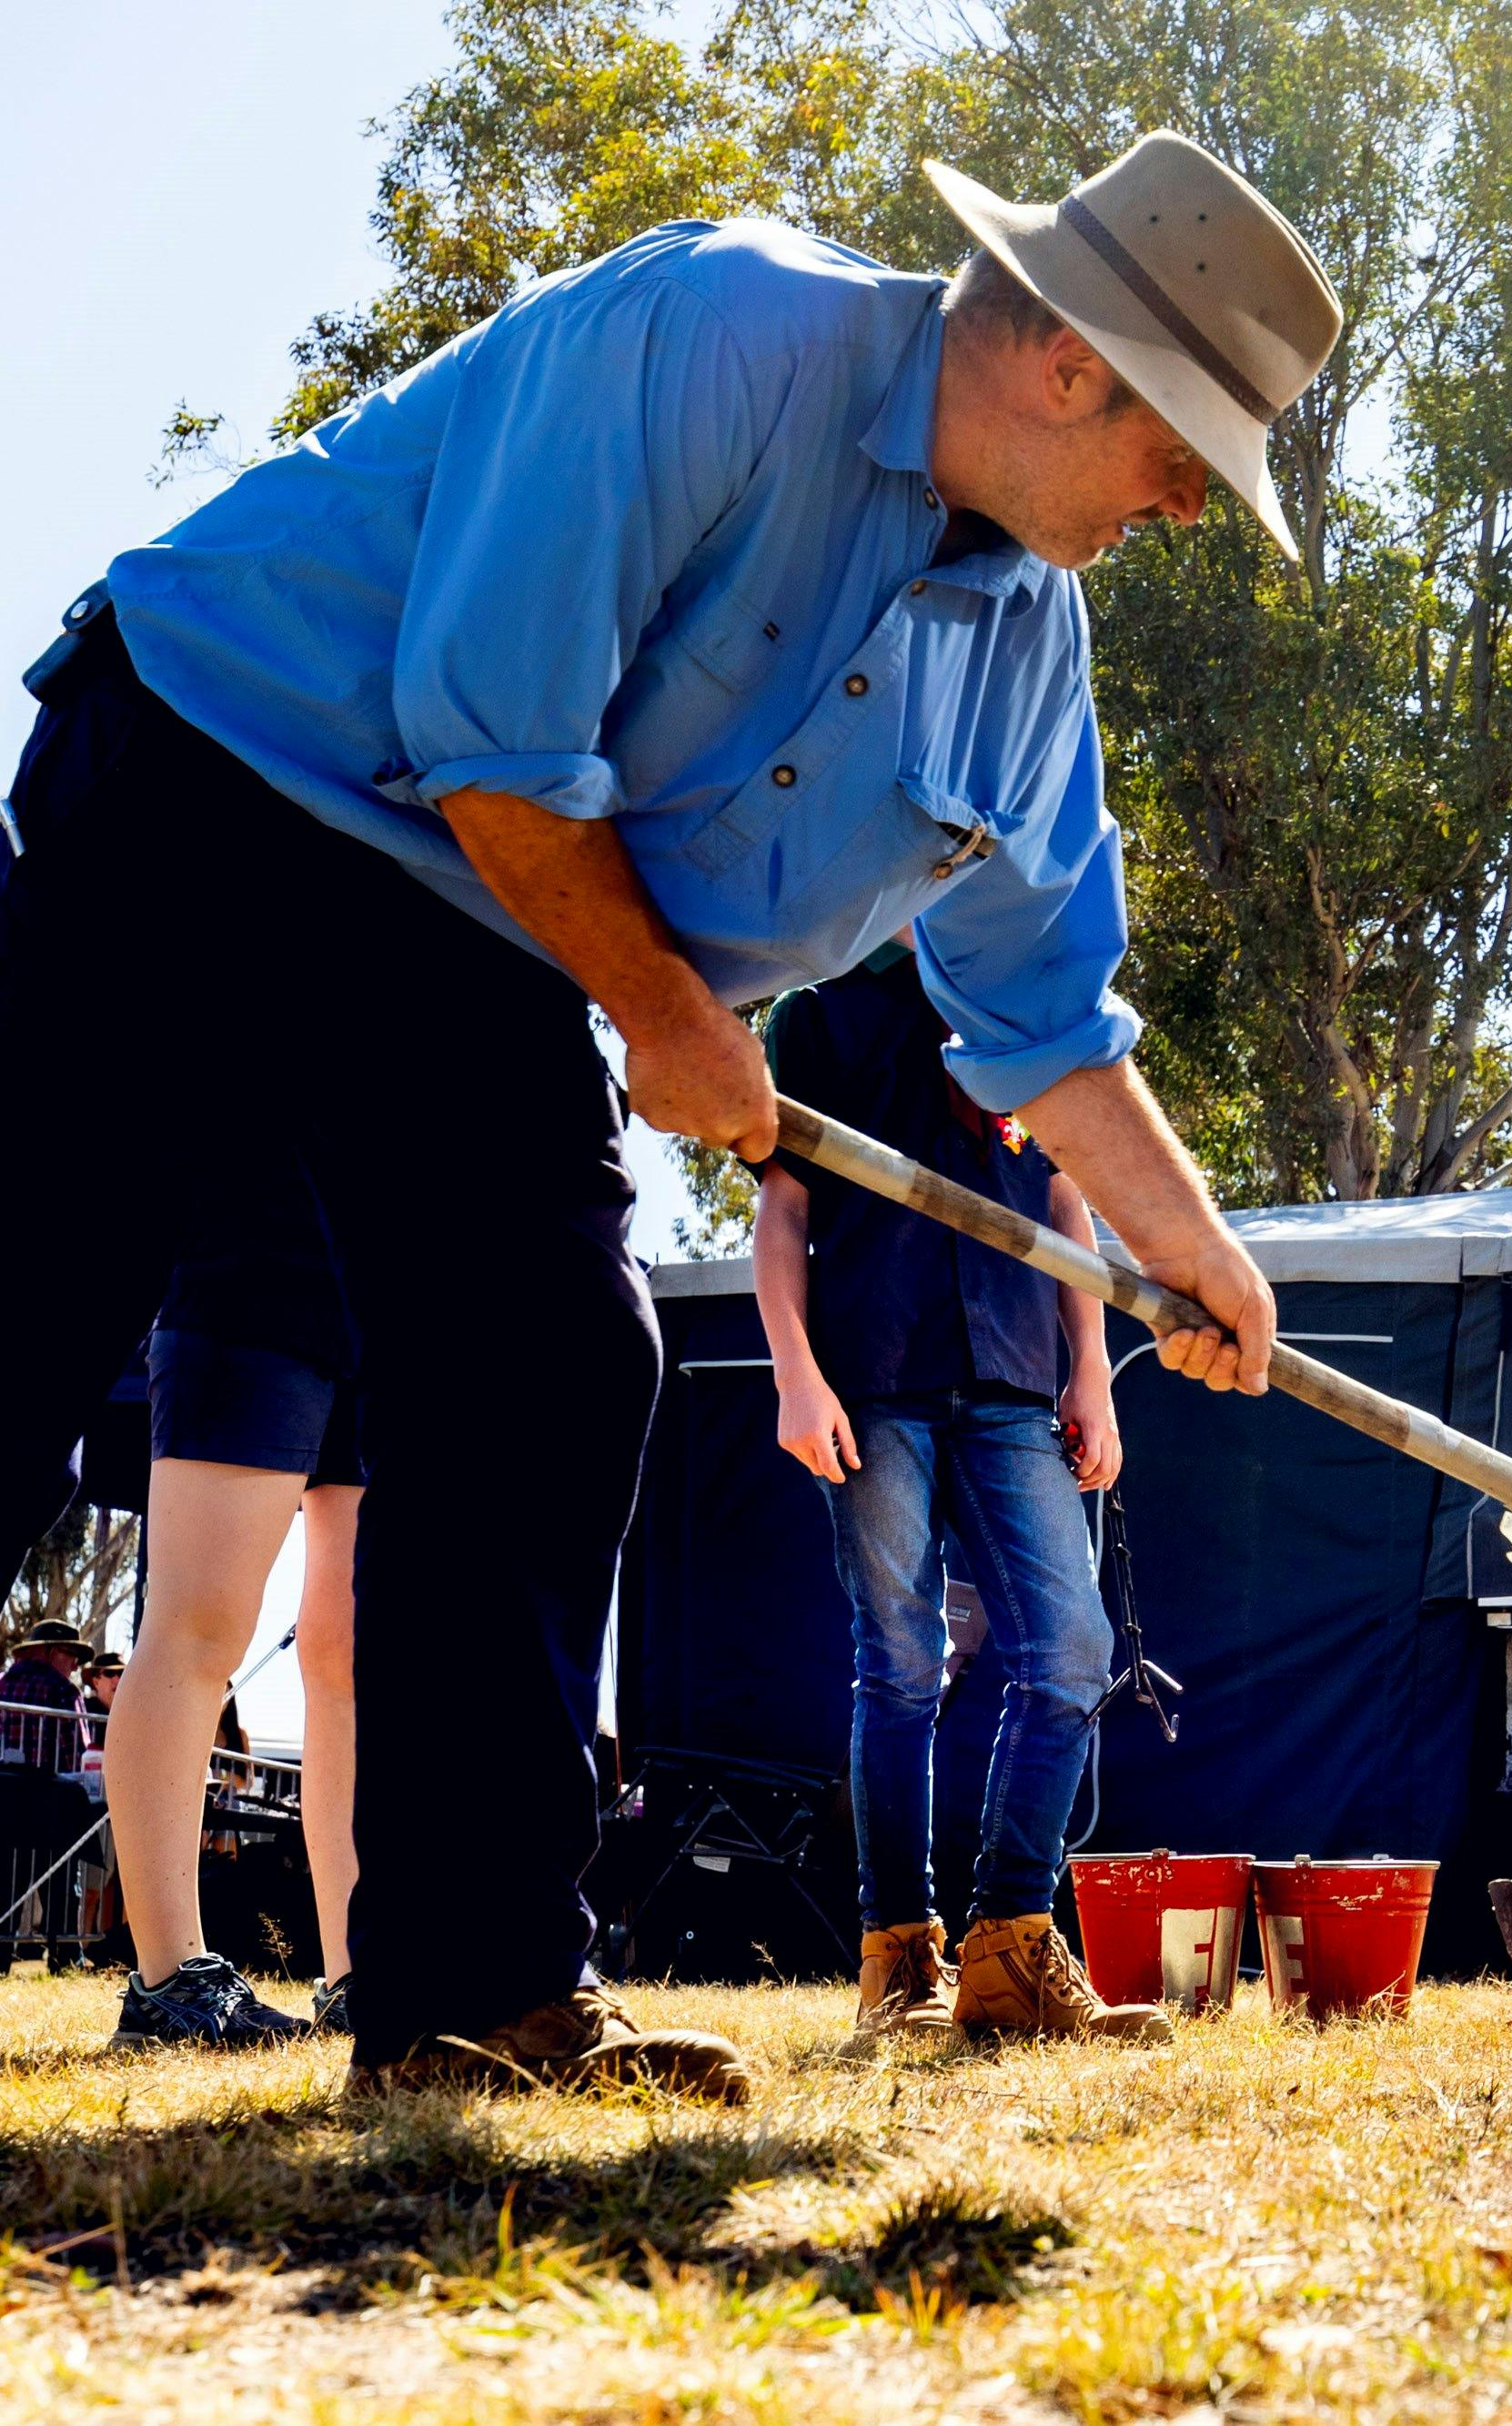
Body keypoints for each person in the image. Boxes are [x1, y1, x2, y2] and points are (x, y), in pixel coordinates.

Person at [0, 132, 1324, 2098]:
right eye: (1182, 456)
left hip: (464, 903)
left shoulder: (1026, 647)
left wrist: (1183, 1242)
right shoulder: (717, 331)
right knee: (39, 1291)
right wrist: (668, 1011)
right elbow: (493, 734)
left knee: (546, 1348)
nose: (1185, 509)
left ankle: (467, 1990)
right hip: (219, 759)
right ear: (1068, 360)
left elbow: (1041, 1013)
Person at [756, 935, 1162, 2050]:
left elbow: (1067, 1201)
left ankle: (1011, 1949)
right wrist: (794, 1373)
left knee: (1072, 1651)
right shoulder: (816, 1014)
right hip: (871, 1377)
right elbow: (784, 1210)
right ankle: (898, 1957)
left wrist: (1092, 1371)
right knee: (898, 1660)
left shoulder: (1024, 996)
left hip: (1015, 1381)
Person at [103, 1191, 366, 2050]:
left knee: (351, 1656)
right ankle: (168, 1983)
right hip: (251, 1271)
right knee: (198, 1624)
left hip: (386, 1297)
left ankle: (356, 1972)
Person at [0, 1622, 91, 1771]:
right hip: (48, 1790)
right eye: (74, 1659)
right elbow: (78, 1759)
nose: (75, 1667)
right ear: (53, 1653)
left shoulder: (2, 1683)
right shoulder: (64, 1690)